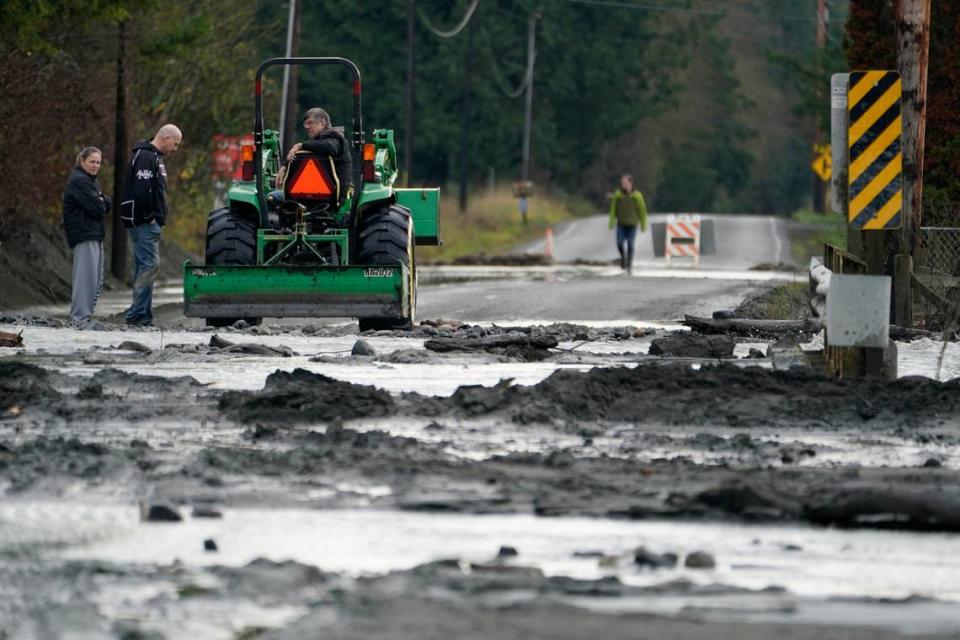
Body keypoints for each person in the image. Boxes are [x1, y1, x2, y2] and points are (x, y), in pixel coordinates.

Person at [121, 124, 182, 327]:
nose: (175, 149)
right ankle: (137, 315)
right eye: (175, 144)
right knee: (149, 265)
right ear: (165, 137)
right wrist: (149, 217)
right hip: (144, 223)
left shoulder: (154, 157)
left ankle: (142, 315)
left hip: (148, 223)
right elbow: (141, 191)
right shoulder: (146, 157)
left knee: (144, 266)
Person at [62, 146, 110, 329]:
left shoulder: (90, 181)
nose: (95, 165)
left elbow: (104, 203)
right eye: (92, 161)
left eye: (98, 162)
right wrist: (101, 202)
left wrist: (102, 201)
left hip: (92, 233)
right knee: (85, 276)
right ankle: (80, 318)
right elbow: (97, 208)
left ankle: (84, 316)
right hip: (84, 234)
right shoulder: (79, 181)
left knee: (94, 277)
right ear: (81, 161)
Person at [276, 107, 352, 206]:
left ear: (322, 123)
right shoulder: (315, 143)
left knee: (272, 197)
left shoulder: (336, 138)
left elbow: (330, 147)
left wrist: (300, 145)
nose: (306, 127)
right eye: (305, 124)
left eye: (310, 123)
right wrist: (284, 166)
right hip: (307, 195)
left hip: (332, 199)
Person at [608, 174, 648, 274]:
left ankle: (629, 264)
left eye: (625, 183)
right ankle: (623, 258)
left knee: (630, 244)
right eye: (622, 183)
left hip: (632, 225)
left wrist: (643, 224)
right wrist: (611, 222)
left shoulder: (637, 196)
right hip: (621, 224)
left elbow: (642, 211)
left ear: (630, 183)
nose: (623, 185)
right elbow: (613, 209)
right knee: (619, 243)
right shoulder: (618, 195)